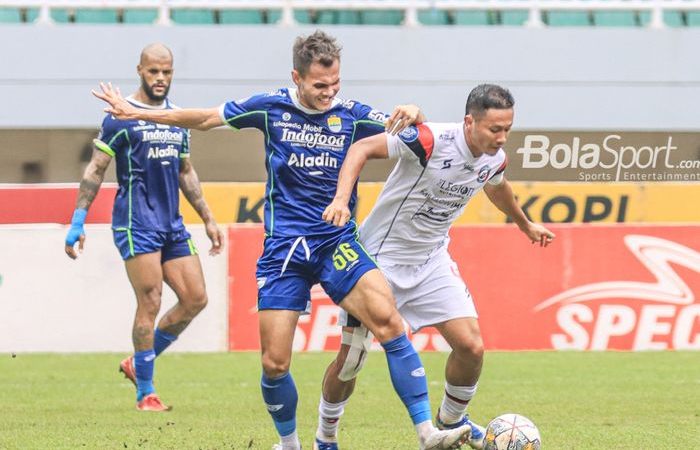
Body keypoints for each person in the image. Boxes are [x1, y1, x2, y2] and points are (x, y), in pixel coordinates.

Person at [92, 31, 472, 450]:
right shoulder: (270, 107)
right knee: (275, 363)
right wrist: (140, 113)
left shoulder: (352, 114)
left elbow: (412, 132)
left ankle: (426, 432)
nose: (329, 93)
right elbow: (204, 119)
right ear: (297, 76)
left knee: (390, 323)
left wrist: (416, 111)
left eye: (335, 83)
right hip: (284, 251)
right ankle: (289, 443)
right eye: (319, 85)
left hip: (335, 243)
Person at [318, 84, 556, 450]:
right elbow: (361, 148)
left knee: (471, 347)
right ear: (469, 122)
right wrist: (340, 200)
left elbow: (497, 186)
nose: (502, 137)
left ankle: (450, 421)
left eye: (508, 128)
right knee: (350, 363)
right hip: (378, 261)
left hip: (431, 261)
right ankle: (325, 437)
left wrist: (525, 224)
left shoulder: (495, 157)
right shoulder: (429, 140)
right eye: (495, 129)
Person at [65, 43, 224, 412]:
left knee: (196, 298)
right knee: (150, 301)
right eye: (154, 71)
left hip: (172, 224)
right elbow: (95, 170)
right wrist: (77, 222)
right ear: (140, 70)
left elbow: (186, 171)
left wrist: (209, 218)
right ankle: (146, 393)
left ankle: (137, 362)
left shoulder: (177, 117)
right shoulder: (121, 116)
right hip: (136, 223)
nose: (160, 78)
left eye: (166, 72)